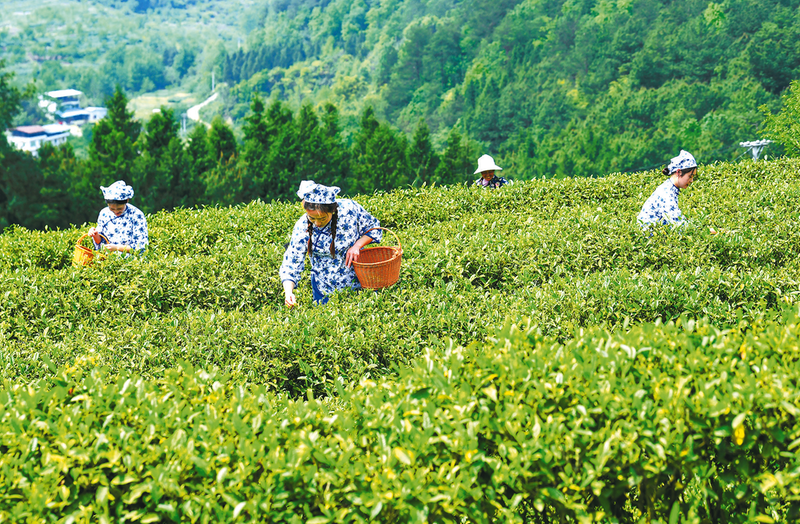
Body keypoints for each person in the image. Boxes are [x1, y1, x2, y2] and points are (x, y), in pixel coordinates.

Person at [280, 181, 382, 307]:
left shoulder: (349, 210)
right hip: (324, 290)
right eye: (312, 218)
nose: (317, 223)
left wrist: (357, 246)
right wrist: (288, 293)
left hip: (360, 282)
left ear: (332, 210)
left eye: (322, 218)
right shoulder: (302, 227)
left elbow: (373, 227)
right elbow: (291, 262)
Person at [637, 150, 697, 229]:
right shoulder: (667, 193)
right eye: (690, 176)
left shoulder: (670, 188)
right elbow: (677, 224)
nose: (691, 180)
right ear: (679, 172)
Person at [88, 180, 149, 254]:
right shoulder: (104, 214)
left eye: (120, 209)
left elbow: (140, 248)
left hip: (130, 258)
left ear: (127, 200)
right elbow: (100, 242)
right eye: (112, 209)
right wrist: (95, 235)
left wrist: (117, 248)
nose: (116, 212)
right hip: (107, 257)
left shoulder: (136, 215)